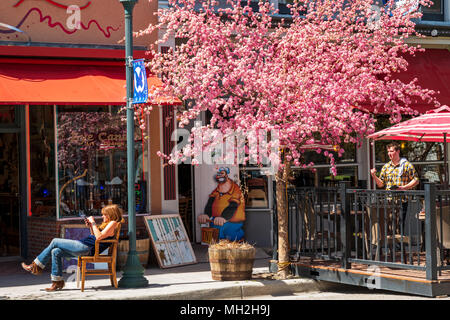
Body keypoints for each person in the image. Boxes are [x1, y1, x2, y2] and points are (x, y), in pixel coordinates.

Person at [21, 204, 124, 292]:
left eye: (104, 214)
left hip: (85, 247)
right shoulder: (108, 224)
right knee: (55, 251)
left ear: (111, 215)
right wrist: (91, 227)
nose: (102, 216)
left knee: (55, 241)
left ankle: (35, 266)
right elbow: (96, 236)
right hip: (85, 247)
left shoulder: (113, 223)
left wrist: (93, 223)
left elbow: (99, 237)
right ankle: (57, 283)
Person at [369, 142, 419, 247]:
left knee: (399, 224)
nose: (389, 154)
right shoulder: (386, 167)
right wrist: (373, 175)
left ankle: (399, 247)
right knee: (389, 224)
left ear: (397, 152)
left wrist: (404, 188)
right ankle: (391, 246)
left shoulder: (406, 165)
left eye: (391, 151)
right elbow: (381, 184)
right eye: (388, 152)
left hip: (402, 199)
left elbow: (416, 180)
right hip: (389, 200)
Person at [197, 167, 245, 241]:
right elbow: (210, 203)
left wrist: (224, 217)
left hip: (232, 223)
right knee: (214, 236)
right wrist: (207, 214)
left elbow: (233, 206)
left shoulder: (235, 190)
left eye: (222, 174)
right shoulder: (217, 190)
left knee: (231, 237)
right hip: (216, 222)